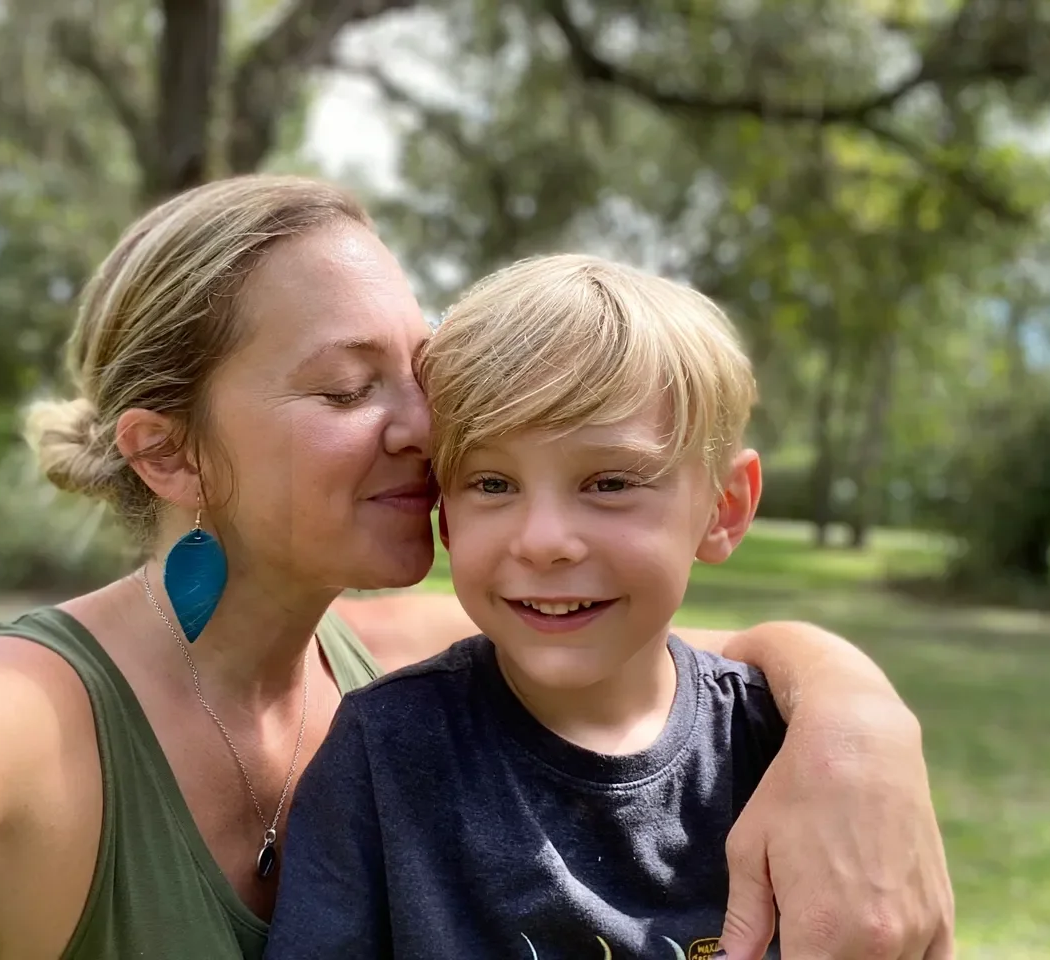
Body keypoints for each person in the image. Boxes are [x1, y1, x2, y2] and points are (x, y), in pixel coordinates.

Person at [0, 175, 952, 960]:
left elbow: (700, 667)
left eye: (422, 374)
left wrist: (859, 735)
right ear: (169, 455)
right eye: (350, 389)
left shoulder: (397, 658)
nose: (424, 428)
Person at [264, 253, 784, 960]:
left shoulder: (782, 752)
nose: (542, 542)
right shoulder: (385, 756)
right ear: (446, 516)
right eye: (492, 483)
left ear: (724, 508)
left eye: (608, 483)